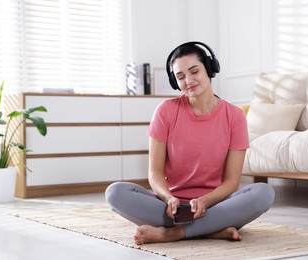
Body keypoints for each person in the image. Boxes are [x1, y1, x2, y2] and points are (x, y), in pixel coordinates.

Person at [105, 41, 275, 245]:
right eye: (180, 76)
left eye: (194, 71)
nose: (189, 80)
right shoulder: (165, 111)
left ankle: (174, 234)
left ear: (210, 69)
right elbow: (155, 173)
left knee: (264, 193)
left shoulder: (235, 116)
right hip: (172, 208)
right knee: (115, 193)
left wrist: (205, 201)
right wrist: (169, 199)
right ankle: (211, 229)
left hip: (216, 205)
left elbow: (231, 181)